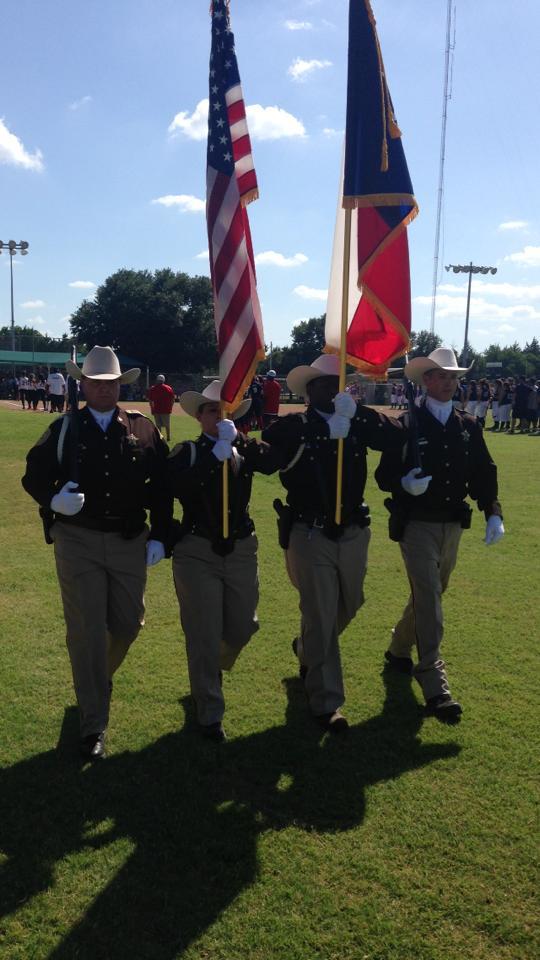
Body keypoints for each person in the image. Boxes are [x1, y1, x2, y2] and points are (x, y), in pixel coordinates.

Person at [22, 346, 171, 760]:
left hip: (128, 540)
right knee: (87, 630)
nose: (103, 390)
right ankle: (93, 723)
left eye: (110, 384)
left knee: (128, 624)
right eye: (95, 383)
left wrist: (161, 535)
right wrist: (53, 500)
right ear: (82, 384)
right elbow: (32, 475)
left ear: (119, 386)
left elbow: (160, 488)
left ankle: (95, 679)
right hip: (79, 540)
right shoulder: (64, 428)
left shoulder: (142, 430)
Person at [262, 354, 406, 733]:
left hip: (354, 531)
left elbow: (396, 436)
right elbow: (273, 442)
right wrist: (325, 430)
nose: (333, 388)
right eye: (325, 383)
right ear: (309, 390)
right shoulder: (295, 426)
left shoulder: (357, 422)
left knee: (351, 602)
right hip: (310, 533)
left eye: (338, 382)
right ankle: (327, 702)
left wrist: (356, 415)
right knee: (322, 612)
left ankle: (308, 648)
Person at [375, 347, 504, 723]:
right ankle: (433, 681)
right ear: (425, 380)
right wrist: (402, 483)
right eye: (441, 376)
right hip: (416, 524)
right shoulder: (406, 425)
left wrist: (492, 512)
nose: (449, 383)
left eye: (453, 377)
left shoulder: (467, 426)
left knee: (432, 592)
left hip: (452, 524)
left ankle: (399, 647)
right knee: (430, 597)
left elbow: (483, 470)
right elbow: (384, 477)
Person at [167, 380, 279, 742]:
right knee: (203, 632)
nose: (218, 415)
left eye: (224, 409)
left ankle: (208, 671)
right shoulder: (187, 452)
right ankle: (209, 710)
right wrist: (212, 458)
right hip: (197, 549)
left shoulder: (241, 447)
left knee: (243, 626)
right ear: (199, 417)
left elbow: (271, 462)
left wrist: (238, 442)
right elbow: (174, 488)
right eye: (211, 410)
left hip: (241, 548)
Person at [147, 373, 175, 442]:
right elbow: (173, 399)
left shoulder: (153, 388)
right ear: (163, 380)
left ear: (157, 380)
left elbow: (150, 400)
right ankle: (168, 437)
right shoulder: (169, 388)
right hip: (166, 410)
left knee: (158, 425)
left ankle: (160, 437)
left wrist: (152, 409)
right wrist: (170, 407)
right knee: (167, 425)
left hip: (156, 409)